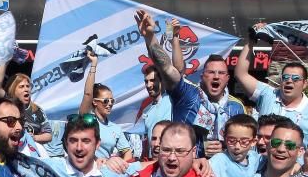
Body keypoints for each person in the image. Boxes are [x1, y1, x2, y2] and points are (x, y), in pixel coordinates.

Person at [134, 10, 246, 158]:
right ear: (202, 76)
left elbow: (245, 148)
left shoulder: (236, 108)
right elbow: (167, 68)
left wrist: (225, 149)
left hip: (220, 175)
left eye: (221, 73)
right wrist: (150, 37)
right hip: (185, 171)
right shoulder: (188, 94)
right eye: (211, 72)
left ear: (227, 78)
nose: (216, 77)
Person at [233, 28, 308, 151]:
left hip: (293, 168)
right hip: (259, 167)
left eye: (295, 78)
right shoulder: (268, 94)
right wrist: (251, 42)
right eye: (285, 77)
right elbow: (240, 74)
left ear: (305, 84)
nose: (289, 81)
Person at [79, 52, 132, 161]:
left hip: (106, 173)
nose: (109, 104)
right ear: (94, 102)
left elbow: (128, 153)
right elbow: (88, 94)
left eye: (112, 101)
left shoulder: (116, 129)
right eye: (106, 101)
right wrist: (93, 64)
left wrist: (117, 166)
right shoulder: (87, 121)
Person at [0, 62, 53, 144]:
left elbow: (49, 135)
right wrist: (5, 62)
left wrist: (34, 137)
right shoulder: (8, 103)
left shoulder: (37, 110)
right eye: (21, 87)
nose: (26, 89)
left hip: (30, 152)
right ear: (13, 90)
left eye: (28, 86)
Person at [137, 64, 172, 156]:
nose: (148, 85)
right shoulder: (146, 110)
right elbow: (146, 141)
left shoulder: (173, 101)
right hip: (152, 161)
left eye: (152, 80)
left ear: (162, 81)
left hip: (170, 158)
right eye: (146, 81)